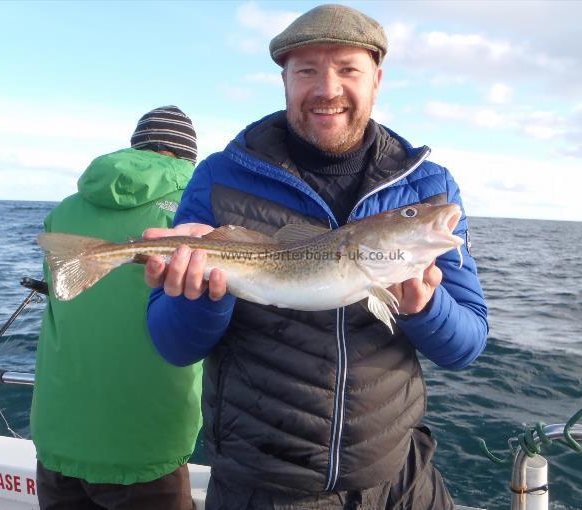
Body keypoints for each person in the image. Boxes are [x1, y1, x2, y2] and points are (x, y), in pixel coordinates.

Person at [146, 5, 488, 509]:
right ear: (284, 80)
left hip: (401, 478)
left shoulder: (429, 186)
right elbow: (172, 344)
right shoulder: (221, 177)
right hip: (263, 486)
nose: (328, 89)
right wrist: (204, 294)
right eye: (307, 70)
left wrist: (423, 308)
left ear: (377, 78)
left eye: (348, 69)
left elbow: (468, 344)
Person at [31, 105, 202, 510]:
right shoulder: (195, 211)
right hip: (146, 441)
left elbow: (62, 292)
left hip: (57, 437)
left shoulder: (64, 211)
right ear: (186, 156)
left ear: (136, 146)